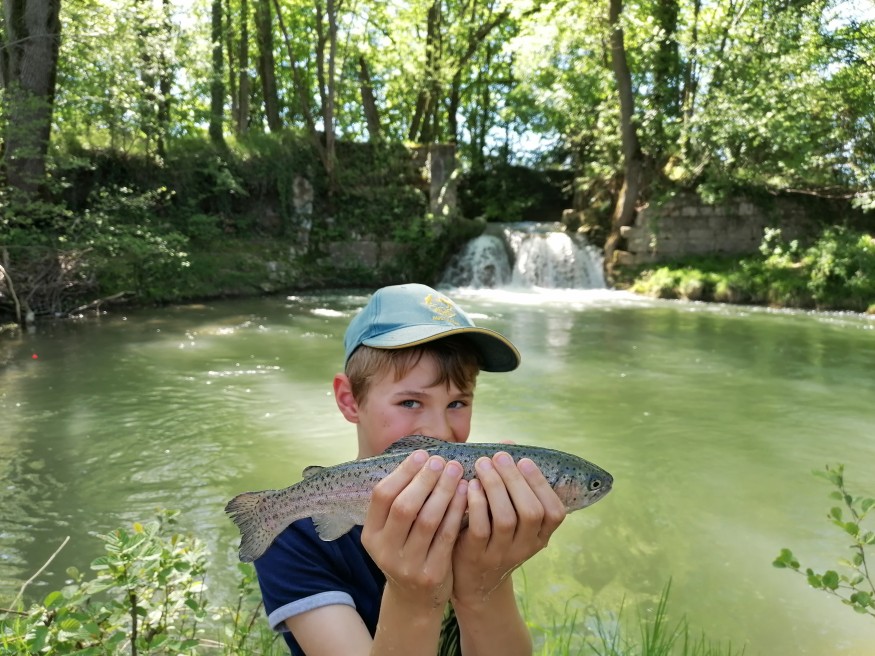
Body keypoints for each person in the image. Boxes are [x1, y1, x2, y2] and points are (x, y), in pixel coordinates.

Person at [253, 283, 567, 655]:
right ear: (349, 400)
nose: (439, 431)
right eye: (410, 402)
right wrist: (412, 597)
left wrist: (486, 585)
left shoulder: (476, 517)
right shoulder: (291, 537)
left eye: (457, 403)